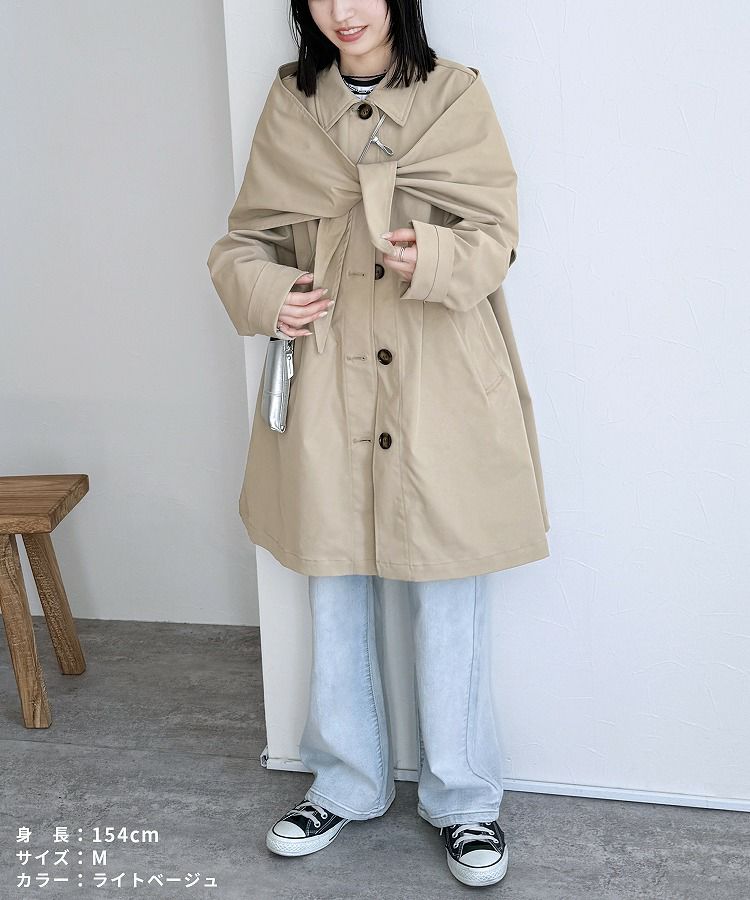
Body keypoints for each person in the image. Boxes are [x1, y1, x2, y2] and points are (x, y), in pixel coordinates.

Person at [207, 0, 552, 888]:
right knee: (332, 581)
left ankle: (465, 800)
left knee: (447, 585)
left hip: (439, 374)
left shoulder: (454, 95)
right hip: (329, 371)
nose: (344, 11)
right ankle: (345, 781)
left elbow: (497, 238)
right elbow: (245, 241)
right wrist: (269, 294)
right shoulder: (293, 102)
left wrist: (429, 257)